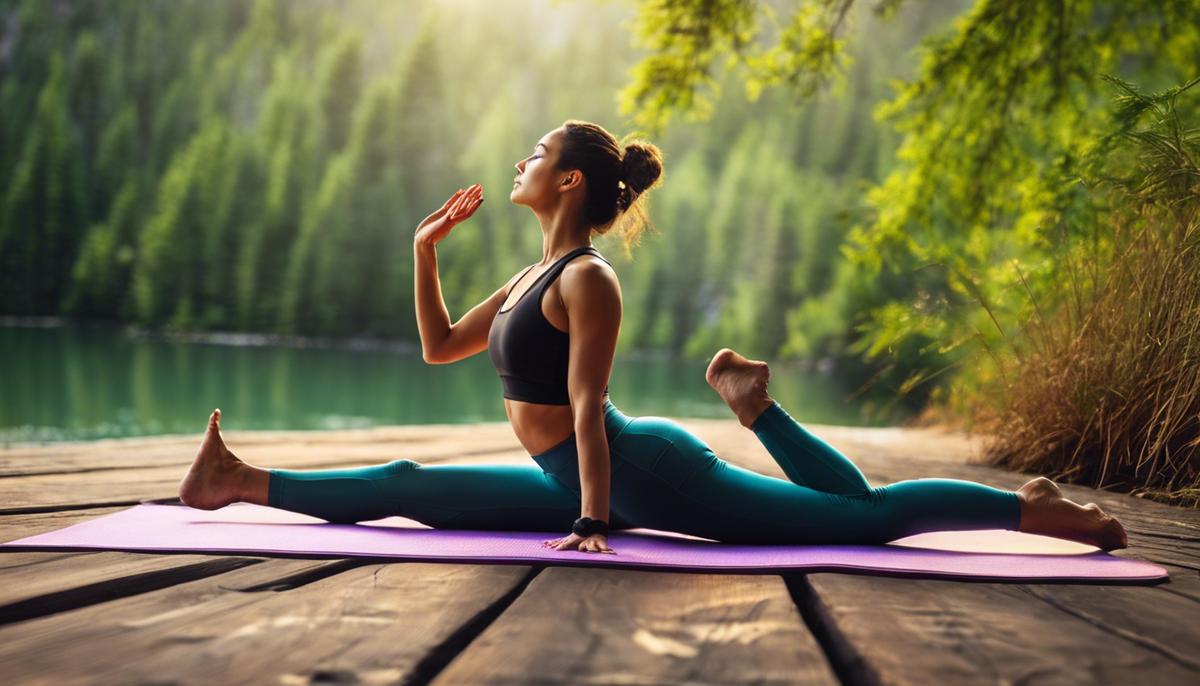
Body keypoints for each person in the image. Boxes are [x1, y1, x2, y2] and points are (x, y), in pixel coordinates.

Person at [179, 119, 1128, 554]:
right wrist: (423, 250)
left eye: (536, 155)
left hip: (642, 474)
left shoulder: (589, 278)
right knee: (409, 487)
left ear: (570, 184)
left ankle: (1038, 514)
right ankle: (233, 482)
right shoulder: (525, 277)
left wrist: (595, 522)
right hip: (577, 477)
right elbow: (438, 349)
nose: (520, 161)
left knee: (867, 523)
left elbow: (588, 407)